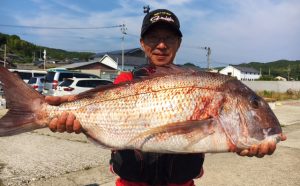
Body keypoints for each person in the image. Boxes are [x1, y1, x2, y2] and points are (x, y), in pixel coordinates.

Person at [45, 9, 286, 186]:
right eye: (153, 38)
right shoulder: (125, 82)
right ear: (142, 43)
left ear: (179, 43)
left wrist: (252, 141)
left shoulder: (203, 82)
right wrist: (67, 114)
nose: (161, 45)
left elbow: (225, 134)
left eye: (169, 38)